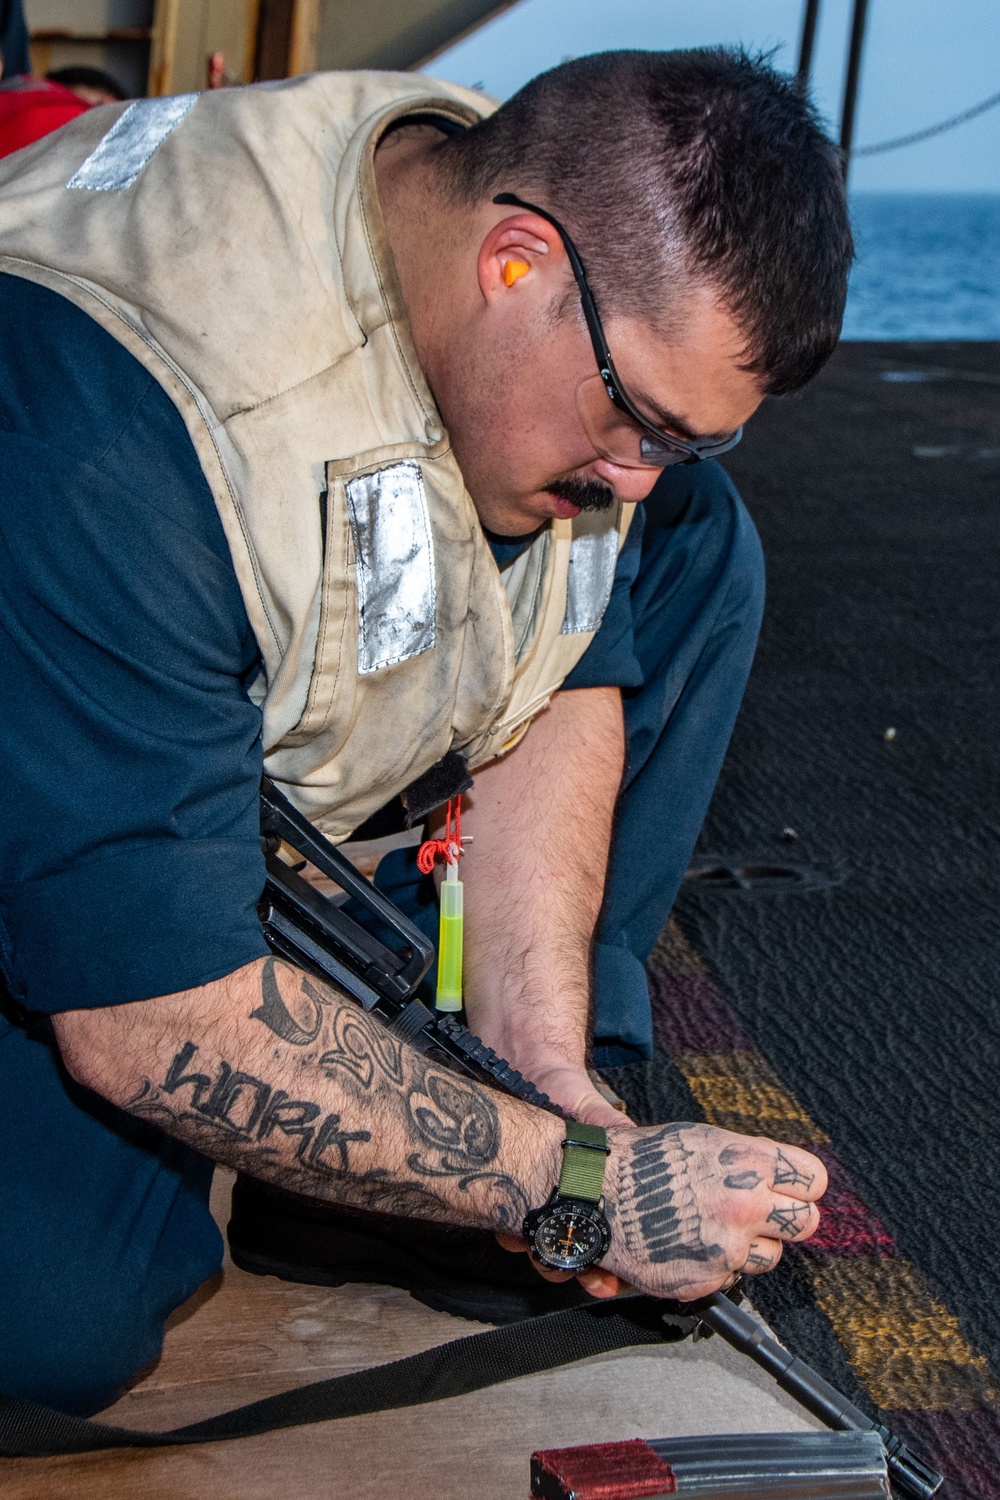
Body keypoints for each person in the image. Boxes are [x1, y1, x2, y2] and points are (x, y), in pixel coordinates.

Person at [0, 49, 852, 1417]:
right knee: (51, 1333)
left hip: (240, 706)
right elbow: (143, 1014)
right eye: (639, 420)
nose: (637, 473)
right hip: (53, 743)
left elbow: (569, 659)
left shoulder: (483, 240)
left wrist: (543, 1085)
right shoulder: (115, 421)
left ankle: (385, 1180)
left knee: (695, 548)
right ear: (516, 261)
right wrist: (569, 1184)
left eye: (689, 437)